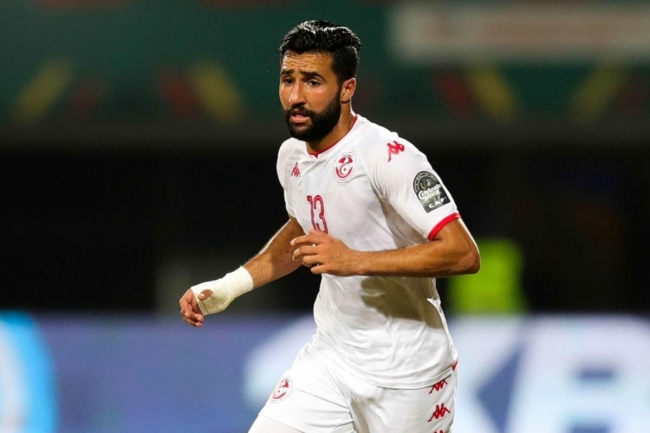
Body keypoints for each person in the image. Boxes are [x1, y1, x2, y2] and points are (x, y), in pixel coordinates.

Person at [179, 20, 480, 433]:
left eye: (313, 82)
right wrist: (230, 286)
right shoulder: (291, 156)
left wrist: (355, 260)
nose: (296, 96)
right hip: (331, 359)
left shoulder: (388, 156)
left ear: (347, 89)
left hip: (409, 374)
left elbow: (463, 253)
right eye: (288, 79)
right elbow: (301, 230)